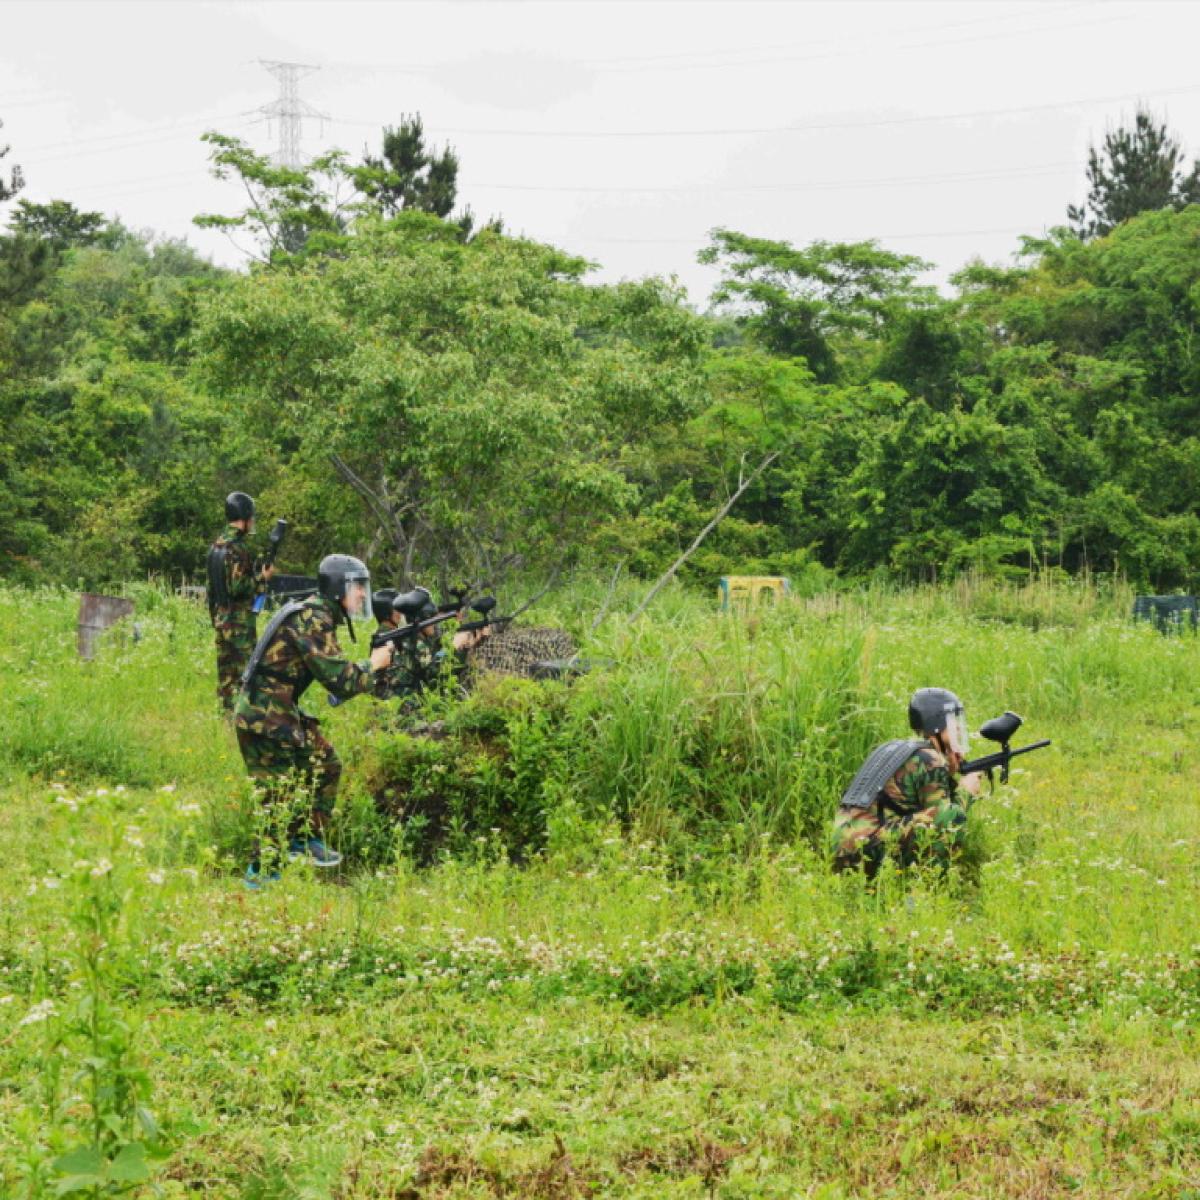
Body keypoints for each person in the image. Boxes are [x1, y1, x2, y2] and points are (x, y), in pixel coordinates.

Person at [234, 553, 394, 886]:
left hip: (278, 714)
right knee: (275, 803)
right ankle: (259, 879)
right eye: (357, 588)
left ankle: (304, 839)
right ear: (339, 588)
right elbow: (341, 681)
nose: (363, 595)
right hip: (264, 720)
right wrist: (374, 664)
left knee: (326, 763)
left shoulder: (317, 614)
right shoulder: (312, 619)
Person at [831, 687, 981, 877]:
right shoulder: (931, 759)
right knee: (951, 815)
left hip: (842, 850)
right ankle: (927, 888)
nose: (958, 729)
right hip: (865, 849)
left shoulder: (900, 749)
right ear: (936, 725)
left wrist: (949, 772)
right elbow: (944, 820)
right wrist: (966, 791)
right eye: (952, 722)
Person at [207, 492, 274, 712]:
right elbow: (238, 587)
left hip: (220, 619)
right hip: (238, 625)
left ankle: (227, 718)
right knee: (246, 674)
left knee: (226, 676)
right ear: (244, 517)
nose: (252, 522)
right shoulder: (238, 548)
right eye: (251, 517)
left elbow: (213, 590)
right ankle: (245, 719)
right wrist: (261, 578)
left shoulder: (216, 546)